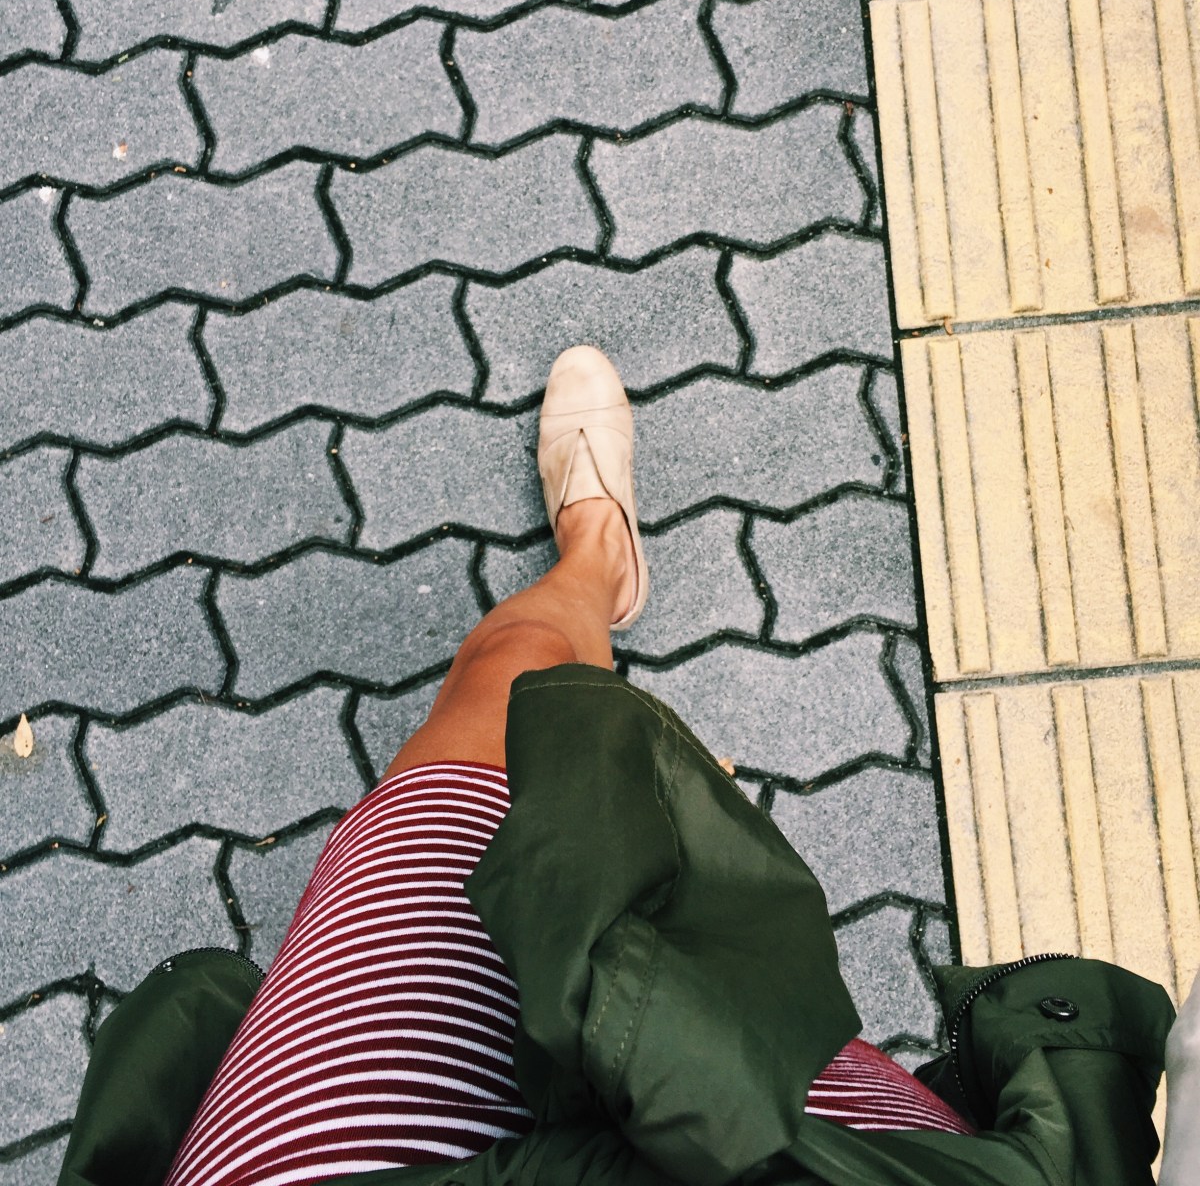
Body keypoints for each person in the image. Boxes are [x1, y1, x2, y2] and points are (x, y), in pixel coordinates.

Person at [58, 348, 1175, 1186]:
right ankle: (596, 561)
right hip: (821, 1152)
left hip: (352, 1158)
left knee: (510, 682)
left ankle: (594, 562)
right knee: (562, 763)